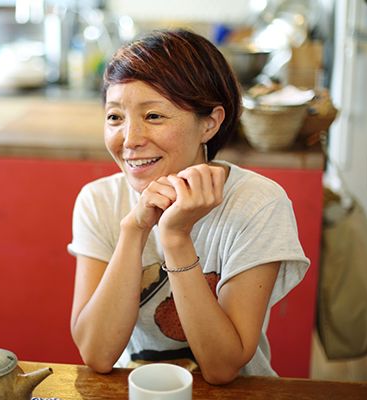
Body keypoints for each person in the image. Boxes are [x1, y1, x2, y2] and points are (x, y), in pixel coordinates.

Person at [67, 28, 309, 385]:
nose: (130, 140)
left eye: (153, 116)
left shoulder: (257, 204)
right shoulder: (99, 202)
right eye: (115, 117)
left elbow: (223, 368)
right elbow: (97, 354)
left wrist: (176, 238)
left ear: (209, 123)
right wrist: (134, 229)